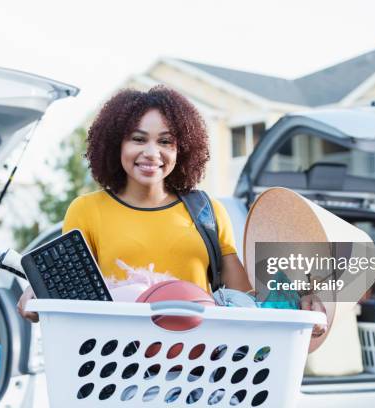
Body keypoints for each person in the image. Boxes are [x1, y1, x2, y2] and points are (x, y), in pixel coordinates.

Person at [18, 86, 253, 322]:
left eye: (165, 141)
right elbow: (72, 289)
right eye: (138, 139)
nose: (152, 152)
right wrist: (39, 290)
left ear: (182, 149)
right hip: (118, 353)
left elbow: (246, 303)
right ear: (115, 145)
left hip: (198, 354)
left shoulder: (209, 212)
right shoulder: (87, 210)